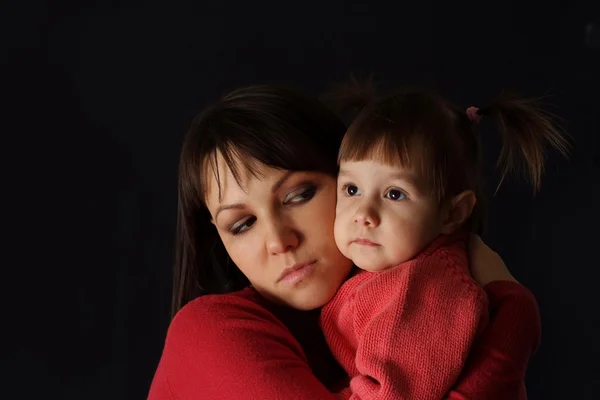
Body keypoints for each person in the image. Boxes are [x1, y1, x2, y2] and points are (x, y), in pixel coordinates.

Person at [147, 85, 543, 400]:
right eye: (243, 223)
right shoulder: (210, 334)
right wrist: (514, 319)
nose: (280, 240)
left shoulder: (410, 311)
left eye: (300, 195)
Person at [320, 87, 569, 399]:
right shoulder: (392, 269)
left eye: (395, 194)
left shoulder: (422, 290)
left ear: (452, 214)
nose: (363, 214)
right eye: (352, 189)